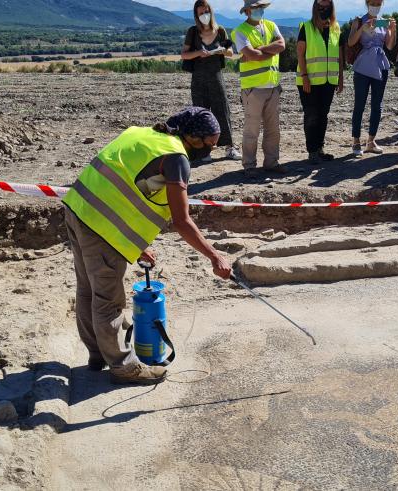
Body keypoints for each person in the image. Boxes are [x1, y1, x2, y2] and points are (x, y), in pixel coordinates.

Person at [62, 107, 233, 385]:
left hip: (78, 208)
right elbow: (182, 220)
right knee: (108, 300)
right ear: (191, 135)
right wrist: (215, 257)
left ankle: (98, 355)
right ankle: (123, 367)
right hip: (101, 227)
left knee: (88, 290)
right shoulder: (176, 158)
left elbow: (125, 186)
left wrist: (135, 244)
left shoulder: (142, 135)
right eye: (208, 144)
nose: (209, 151)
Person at [181, 0, 242, 163]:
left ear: (211, 11)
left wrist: (222, 51)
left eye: (206, 12)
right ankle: (204, 150)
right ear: (196, 15)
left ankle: (229, 146)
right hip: (198, 79)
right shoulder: (192, 32)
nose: (204, 15)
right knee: (200, 114)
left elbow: (230, 52)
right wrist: (198, 53)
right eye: (201, 13)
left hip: (216, 77)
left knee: (222, 110)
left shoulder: (220, 30)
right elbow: (184, 55)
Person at [233, 0, 287, 176]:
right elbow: (252, 56)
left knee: (273, 129)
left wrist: (260, 49)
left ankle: (271, 162)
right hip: (253, 88)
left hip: (273, 86)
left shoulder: (271, 25)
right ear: (247, 11)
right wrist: (263, 52)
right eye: (256, 8)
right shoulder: (240, 31)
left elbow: (282, 45)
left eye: (261, 7)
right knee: (252, 130)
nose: (259, 10)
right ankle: (249, 165)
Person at [296, 0, 345, 164]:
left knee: (323, 116)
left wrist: (340, 78)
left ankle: (319, 149)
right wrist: (304, 76)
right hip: (309, 81)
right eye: (321, 5)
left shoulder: (336, 28)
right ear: (315, 7)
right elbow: (300, 54)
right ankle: (312, 151)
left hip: (329, 81)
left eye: (327, 5)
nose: (324, 8)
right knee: (311, 116)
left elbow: (339, 55)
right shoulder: (306, 27)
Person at [348, 0, 396, 157]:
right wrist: (363, 27)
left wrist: (392, 30)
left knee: (377, 104)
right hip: (363, 65)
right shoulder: (358, 20)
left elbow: (389, 46)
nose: (376, 5)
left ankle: (371, 141)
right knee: (359, 104)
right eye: (373, 2)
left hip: (380, 64)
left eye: (378, 3)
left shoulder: (384, 21)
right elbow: (350, 42)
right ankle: (356, 141)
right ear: (367, 3)